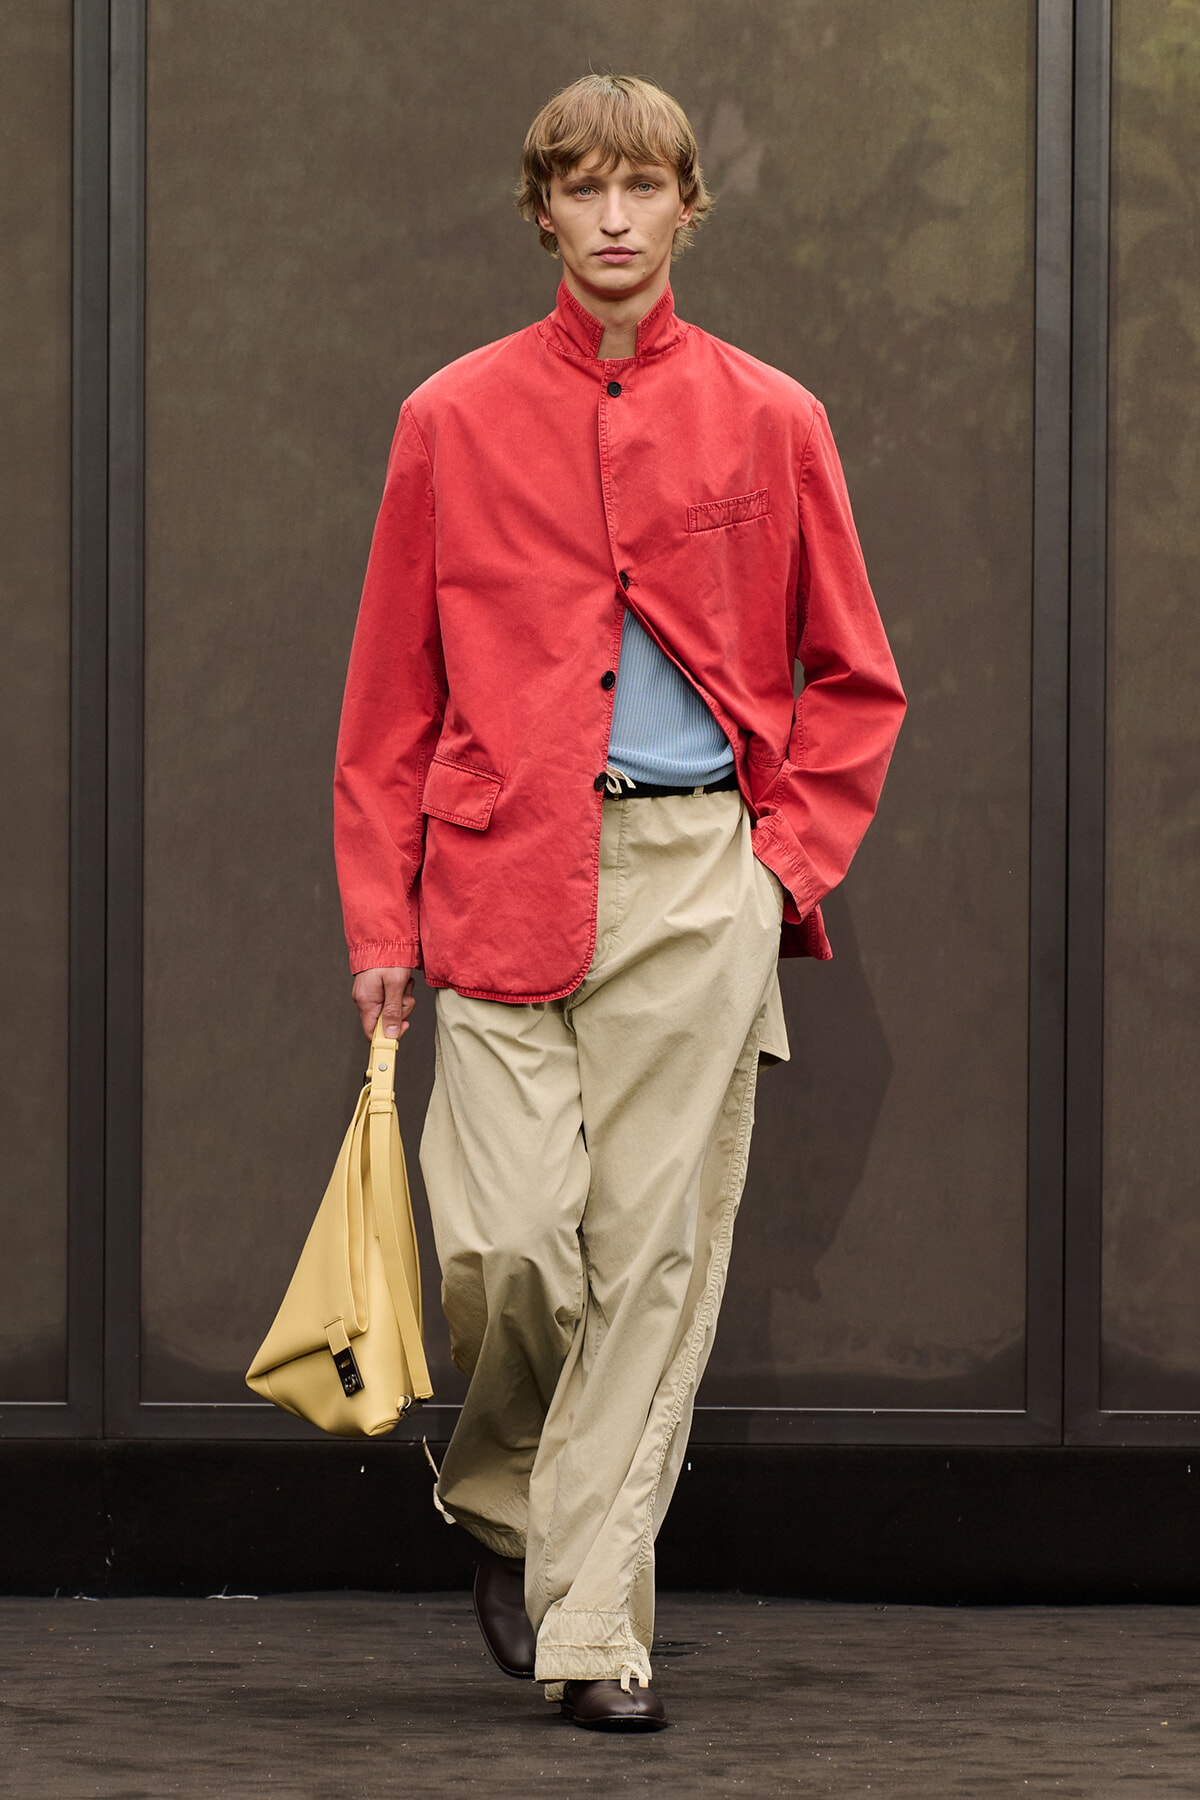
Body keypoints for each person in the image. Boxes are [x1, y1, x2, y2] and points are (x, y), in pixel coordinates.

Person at [334, 72, 905, 1732]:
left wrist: (774, 872)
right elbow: (387, 707)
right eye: (579, 188)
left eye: (639, 187)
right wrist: (384, 927)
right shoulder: (448, 417)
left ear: (684, 210)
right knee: (511, 1254)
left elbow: (853, 680)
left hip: (690, 884)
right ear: (543, 212)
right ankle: (509, 1495)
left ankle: (595, 1630)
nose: (610, 216)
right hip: (496, 869)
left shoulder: (772, 419)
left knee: (655, 1261)